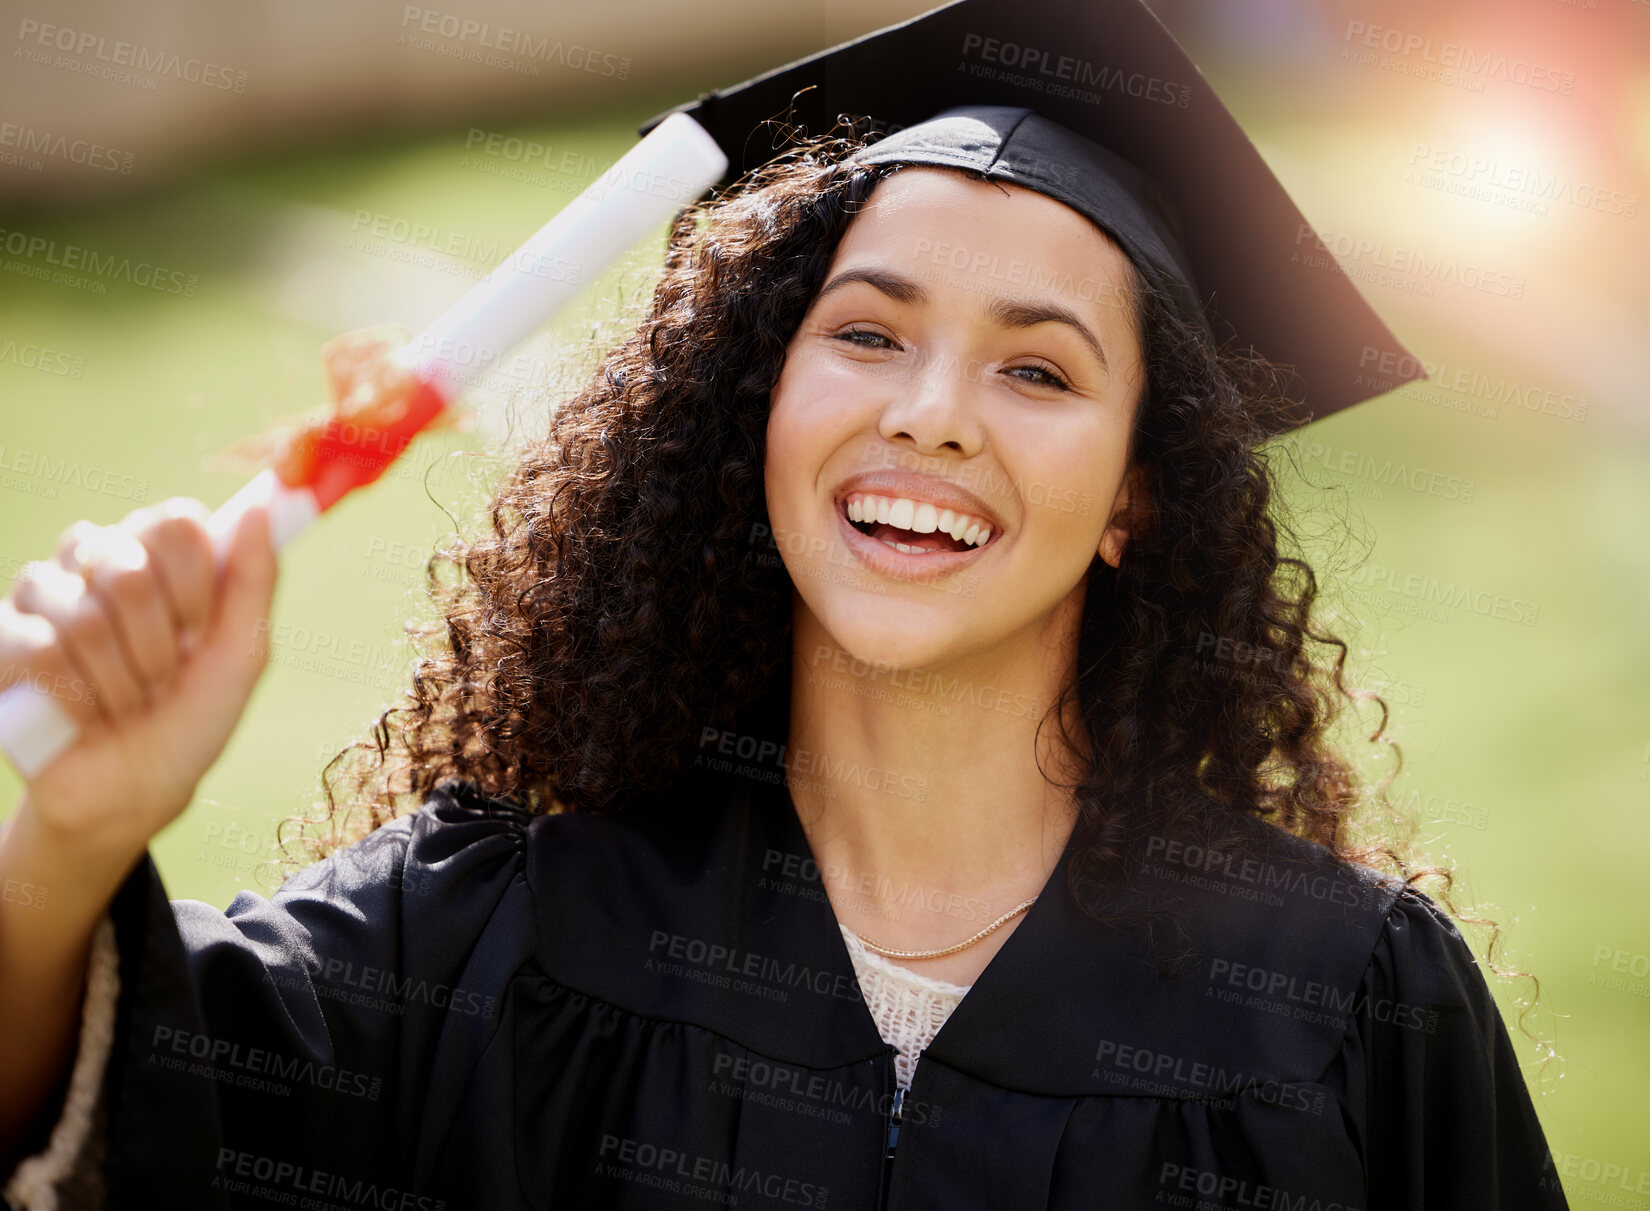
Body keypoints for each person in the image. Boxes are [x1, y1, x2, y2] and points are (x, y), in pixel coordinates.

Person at [0, 0, 1568, 1207]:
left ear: (1138, 499)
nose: (932, 414)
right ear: (757, 402)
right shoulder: (497, 934)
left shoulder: (1335, 1008)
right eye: (867, 334)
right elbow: (103, 1114)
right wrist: (72, 836)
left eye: (1037, 368)